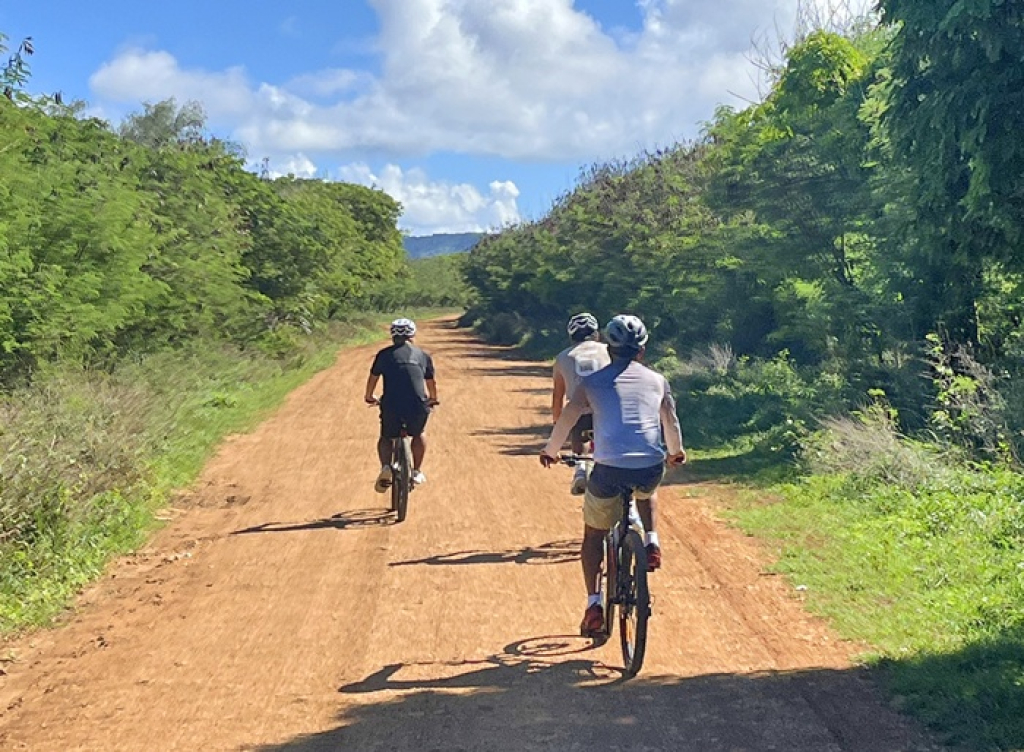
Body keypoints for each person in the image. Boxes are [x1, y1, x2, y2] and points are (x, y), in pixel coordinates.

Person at [540, 314, 686, 637]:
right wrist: (676, 452)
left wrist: (550, 450)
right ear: (642, 350)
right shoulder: (658, 380)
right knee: (646, 490)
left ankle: (594, 605)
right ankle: (651, 540)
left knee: (593, 535)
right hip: (650, 467)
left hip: (608, 471)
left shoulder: (592, 383)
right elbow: (670, 421)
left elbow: (567, 418)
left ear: (608, 348)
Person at [364, 318, 438, 492]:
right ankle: (416, 471)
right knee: (418, 433)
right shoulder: (423, 355)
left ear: (393, 335)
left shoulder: (384, 355)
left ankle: (385, 467)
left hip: (391, 403)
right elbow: (431, 383)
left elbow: (373, 378)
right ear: (412, 335)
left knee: (386, 437)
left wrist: (369, 396)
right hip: (417, 404)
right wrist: (433, 398)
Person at [552, 312, 611, 495]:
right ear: (596, 333)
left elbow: (558, 397)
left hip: (580, 414)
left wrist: (558, 427)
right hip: (609, 412)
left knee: (580, 430)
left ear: (572, 337)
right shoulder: (609, 351)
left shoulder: (563, 357)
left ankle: (580, 468)